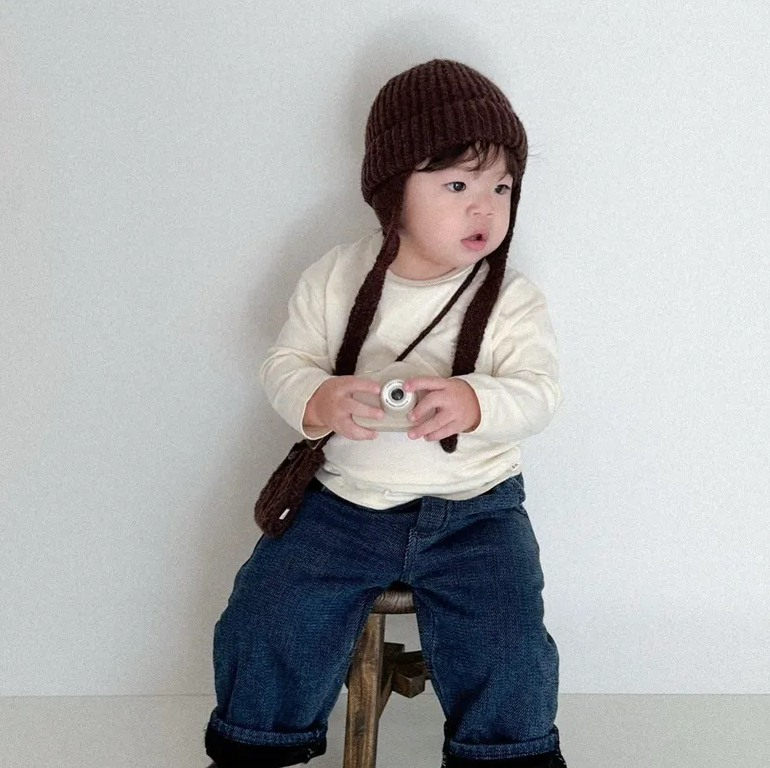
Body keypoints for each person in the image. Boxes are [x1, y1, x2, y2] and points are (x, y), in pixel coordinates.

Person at [205, 58, 568, 767]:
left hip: (476, 510)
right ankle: (258, 743)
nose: (484, 208)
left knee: (508, 637)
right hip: (342, 505)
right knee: (271, 611)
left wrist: (476, 401)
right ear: (393, 190)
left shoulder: (511, 298)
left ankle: (508, 753)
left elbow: (539, 392)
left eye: (501, 188)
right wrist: (318, 397)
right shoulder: (338, 275)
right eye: (458, 185)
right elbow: (286, 361)